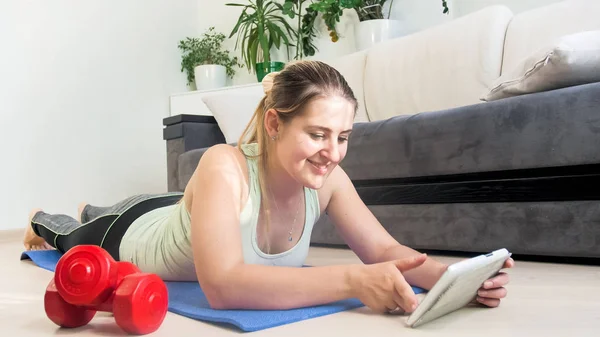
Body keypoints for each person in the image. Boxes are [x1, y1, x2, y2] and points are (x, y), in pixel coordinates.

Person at [23, 60, 514, 314]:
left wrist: (456, 279)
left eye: (343, 137)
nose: (333, 152)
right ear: (276, 124)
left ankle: (94, 205)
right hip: (134, 230)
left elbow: (384, 249)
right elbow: (221, 286)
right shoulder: (222, 164)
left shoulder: (329, 181)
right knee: (70, 233)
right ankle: (68, 214)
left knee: (141, 206)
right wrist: (350, 281)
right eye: (318, 134)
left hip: (187, 212)